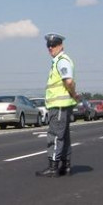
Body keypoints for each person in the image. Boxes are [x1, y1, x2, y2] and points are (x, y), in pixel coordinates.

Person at [36, 33, 80, 177]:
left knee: (55, 135)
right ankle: (65, 166)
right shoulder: (58, 61)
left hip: (59, 105)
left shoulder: (61, 60)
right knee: (64, 136)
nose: (50, 48)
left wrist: (73, 94)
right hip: (61, 105)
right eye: (48, 46)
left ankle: (53, 166)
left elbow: (68, 81)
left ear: (61, 46)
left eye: (53, 45)